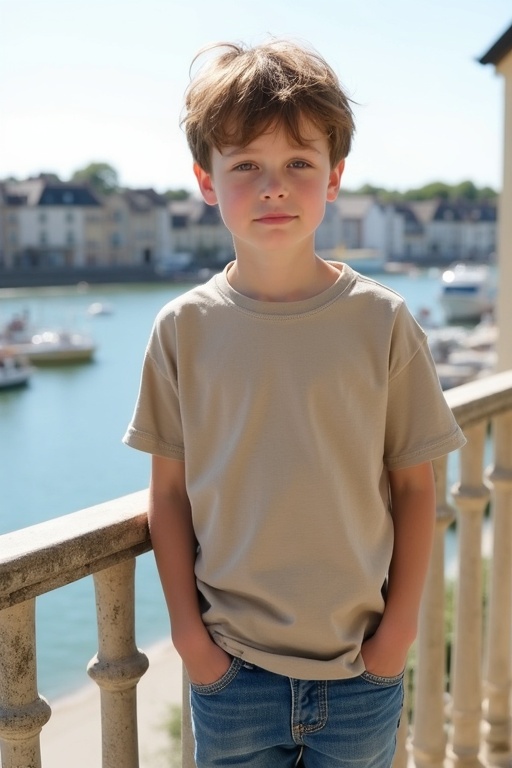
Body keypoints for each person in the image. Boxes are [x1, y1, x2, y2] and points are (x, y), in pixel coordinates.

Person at [123, 38, 466, 768]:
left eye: (298, 164)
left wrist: (395, 639)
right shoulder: (182, 328)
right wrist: (191, 642)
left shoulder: (384, 322)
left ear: (334, 177)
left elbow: (413, 486)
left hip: (358, 671)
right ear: (206, 181)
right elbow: (169, 494)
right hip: (232, 672)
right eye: (245, 165)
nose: (272, 185)